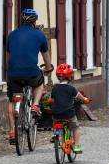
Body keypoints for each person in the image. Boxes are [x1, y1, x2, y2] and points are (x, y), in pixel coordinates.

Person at [6, 8, 53, 144]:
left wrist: (10, 69)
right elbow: (46, 56)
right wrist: (48, 68)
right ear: (35, 21)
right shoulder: (39, 35)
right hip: (31, 72)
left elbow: (8, 57)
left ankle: (12, 132)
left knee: (12, 99)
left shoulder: (12, 35)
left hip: (14, 73)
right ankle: (35, 105)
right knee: (39, 84)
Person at [51, 63, 90, 153]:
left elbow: (52, 99)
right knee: (75, 127)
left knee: (55, 119)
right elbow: (78, 96)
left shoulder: (55, 88)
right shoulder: (71, 88)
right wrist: (84, 99)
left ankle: (56, 134)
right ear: (70, 77)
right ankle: (76, 146)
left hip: (57, 113)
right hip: (69, 114)